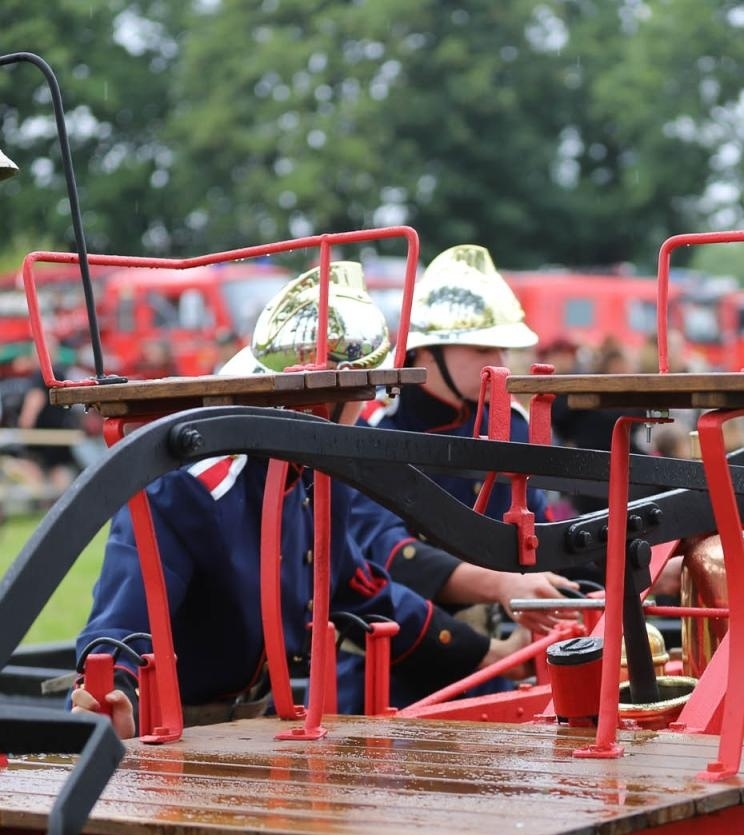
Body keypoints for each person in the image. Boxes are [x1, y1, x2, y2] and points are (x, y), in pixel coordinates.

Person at [70, 262, 525, 741]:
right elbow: (120, 625)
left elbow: (357, 587)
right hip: (177, 740)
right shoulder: (192, 488)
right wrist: (113, 695)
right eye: (362, 393)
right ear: (320, 400)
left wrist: (483, 652)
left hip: (263, 728)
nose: (365, 410)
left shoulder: (319, 475)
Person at [351, 246, 576, 624]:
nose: (501, 365)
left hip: (504, 633)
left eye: (502, 350)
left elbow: (542, 535)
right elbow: (384, 551)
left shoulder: (511, 424)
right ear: (426, 353)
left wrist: (632, 560)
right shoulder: (373, 429)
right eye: (482, 348)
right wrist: (499, 585)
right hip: (398, 641)